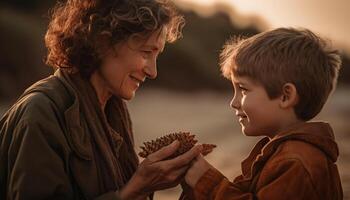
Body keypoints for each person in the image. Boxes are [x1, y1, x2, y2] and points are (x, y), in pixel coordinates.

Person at [0, 0, 203, 199]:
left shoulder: (113, 110)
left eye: (156, 55)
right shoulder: (40, 113)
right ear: (102, 42)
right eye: (146, 52)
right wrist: (134, 189)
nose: (153, 72)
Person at [182, 28, 343, 199]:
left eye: (243, 90)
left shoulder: (295, 163)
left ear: (285, 96)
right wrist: (194, 187)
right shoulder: (281, 153)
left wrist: (207, 182)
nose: (233, 102)